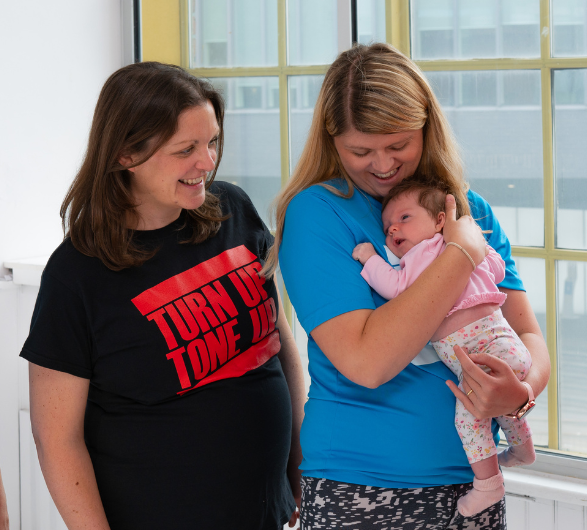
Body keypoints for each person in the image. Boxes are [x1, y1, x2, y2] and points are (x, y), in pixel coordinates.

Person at [267, 43, 550, 529]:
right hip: (358, 486)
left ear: (426, 128)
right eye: (360, 150)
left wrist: (519, 394)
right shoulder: (317, 214)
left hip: (473, 484)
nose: (381, 165)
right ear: (332, 141)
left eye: (398, 145)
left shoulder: (467, 208)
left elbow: (528, 339)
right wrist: (460, 253)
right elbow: (368, 363)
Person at [20, 62, 304, 530]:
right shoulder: (76, 275)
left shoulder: (233, 209)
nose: (207, 161)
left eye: (211, 142)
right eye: (185, 149)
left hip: (266, 512)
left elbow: (275, 342)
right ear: (124, 155)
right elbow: (57, 439)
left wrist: (298, 459)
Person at [352, 176, 536, 517]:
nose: (393, 229)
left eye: (404, 218)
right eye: (388, 226)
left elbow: (393, 287)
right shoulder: (439, 252)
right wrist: (476, 247)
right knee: (493, 401)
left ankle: (488, 485)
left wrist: (369, 259)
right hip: (506, 349)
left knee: (469, 417)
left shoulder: (426, 254)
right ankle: (522, 447)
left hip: (489, 350)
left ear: (439, 220)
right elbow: (495, 269)